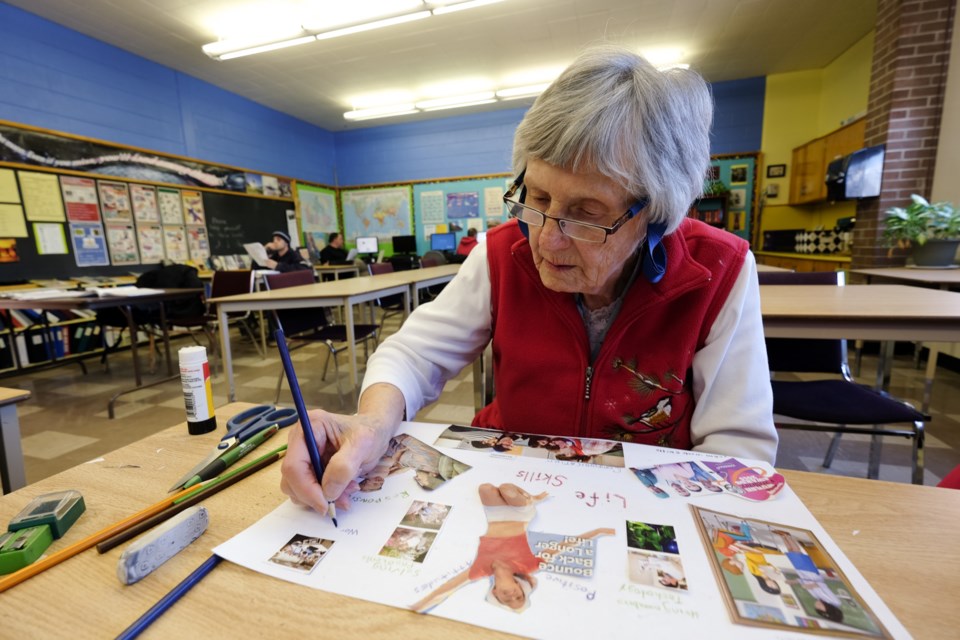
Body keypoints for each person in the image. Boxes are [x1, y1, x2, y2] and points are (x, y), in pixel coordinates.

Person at [279, 44, 778, 515]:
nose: (547, 240)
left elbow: (739, 448)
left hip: (640, 500)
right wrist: (370, 424)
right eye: (537, 199)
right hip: (508, 484)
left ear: (656, 213)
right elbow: (414, 355)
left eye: (586, 214)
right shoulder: (502, 252)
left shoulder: (719, 270)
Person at [409, 483, 613, 613]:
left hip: (495, 517)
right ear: (521, 588)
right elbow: (564, 545)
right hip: (520, 515)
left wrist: (420, 606)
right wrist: (598, 531)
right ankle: (533, 499)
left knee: (485, 489)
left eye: (509, 601)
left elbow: (447, 588)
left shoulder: (479, 571)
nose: (512, 596)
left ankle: (527, 498)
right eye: (519, 596)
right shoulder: (529, 567)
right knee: (507, 489)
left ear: (496, 594)